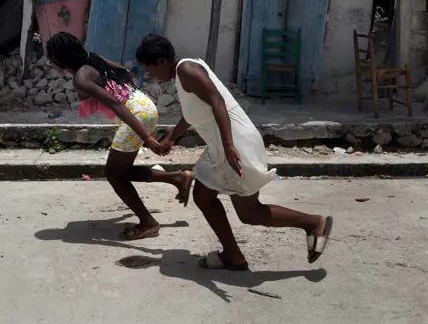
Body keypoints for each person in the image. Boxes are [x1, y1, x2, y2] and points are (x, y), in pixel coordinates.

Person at [135, 34, 333, 271]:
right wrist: (171, 137)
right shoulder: (182, 74)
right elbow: (194, 112)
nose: (151, 76)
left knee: (235, 207)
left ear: (160, 60)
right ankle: (242, 251)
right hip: (224, 146)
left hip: (235, 144)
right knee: (244, 211)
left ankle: (308, 225)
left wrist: (229, 145)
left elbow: (217, 101)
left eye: (150, 70)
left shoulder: (186, 69)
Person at [45, 32, 193, 240]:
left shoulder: (81, 78)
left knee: (114, 174)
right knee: (121, 171)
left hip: (136, 115)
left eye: (51, 57)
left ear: (60, 58)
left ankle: (148, 222)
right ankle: (177, 178)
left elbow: (115, 104)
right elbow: (124, 71)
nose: (50, 61)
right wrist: (128, 92)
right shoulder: (92, 58)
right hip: (145, 104)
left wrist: (149, 140)